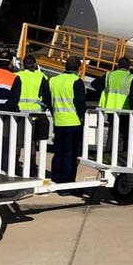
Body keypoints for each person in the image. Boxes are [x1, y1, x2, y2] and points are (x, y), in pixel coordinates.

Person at [49, 56, 86, 184]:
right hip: (73, 122)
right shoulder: (77, 81)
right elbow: (80, 103)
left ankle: (56, 177)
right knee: (70, 154)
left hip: (58, 121)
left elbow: (49, 101)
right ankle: (67, 182)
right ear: (78, 69)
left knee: (58, 152)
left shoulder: (53, 80)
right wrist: (82, 118)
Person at [15, 55, 51, 174]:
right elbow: (47, 96)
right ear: (35, 64)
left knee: (18, 141)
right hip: (36, 114)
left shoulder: (17, 76)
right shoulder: (42, 77)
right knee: (32, 142)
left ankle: (14, 165)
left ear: (23, 65)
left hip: (19, 114)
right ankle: (31, 167)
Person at [92, 57, 133, 150]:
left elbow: (94, 84)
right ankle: (119, 155)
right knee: (123, 134)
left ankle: (108, 152)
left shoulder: (109, 75)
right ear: (129, 67)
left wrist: (105, 91)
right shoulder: (131, 78)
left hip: (110, 108)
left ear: (118, 65)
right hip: (125, 110)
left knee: (112, 132)